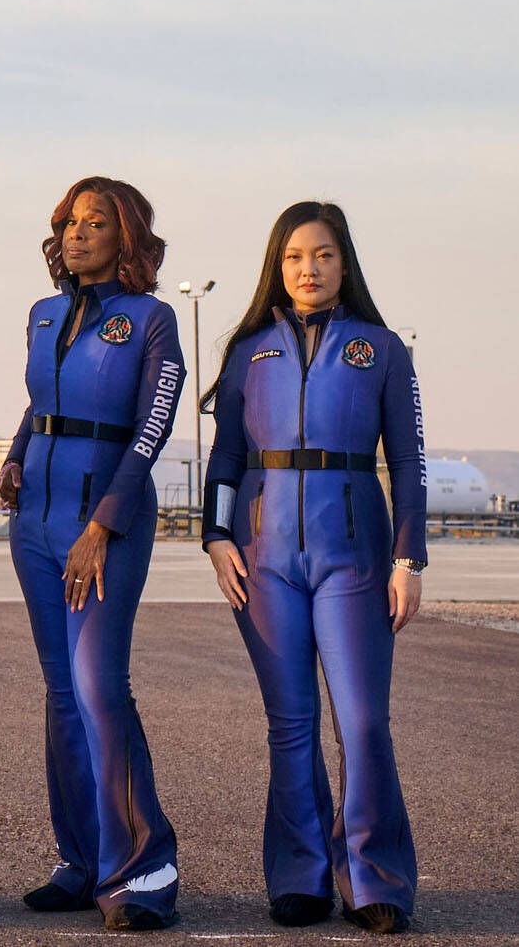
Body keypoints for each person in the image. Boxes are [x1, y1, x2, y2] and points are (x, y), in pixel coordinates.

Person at [200, 202, 425, 935]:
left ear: (344, 263)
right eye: (296, 256)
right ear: (279, 263)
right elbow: (227, 455)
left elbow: (409, 464)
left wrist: (407, 557)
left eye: (323, 255)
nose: (309, 268)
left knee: (361, 722)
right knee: (289, 722)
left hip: (354, 554)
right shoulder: (248, 352)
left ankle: (373, 877)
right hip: (264, 560)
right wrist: (215, 535)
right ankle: (300, 874)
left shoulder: (382, 349)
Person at [0, 177, 184, 931]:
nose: (77, 235)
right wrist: (13, 455)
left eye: (95, 223)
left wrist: (103, 524)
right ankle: (79, 862)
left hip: (105, 521)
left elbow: (153, 427)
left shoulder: (154, 321)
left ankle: (145, 869)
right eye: (69, 223)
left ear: (126, 237)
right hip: (34, 521)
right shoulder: (43, 314)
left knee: (99, 686)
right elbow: (42, 400)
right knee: (60, 692)